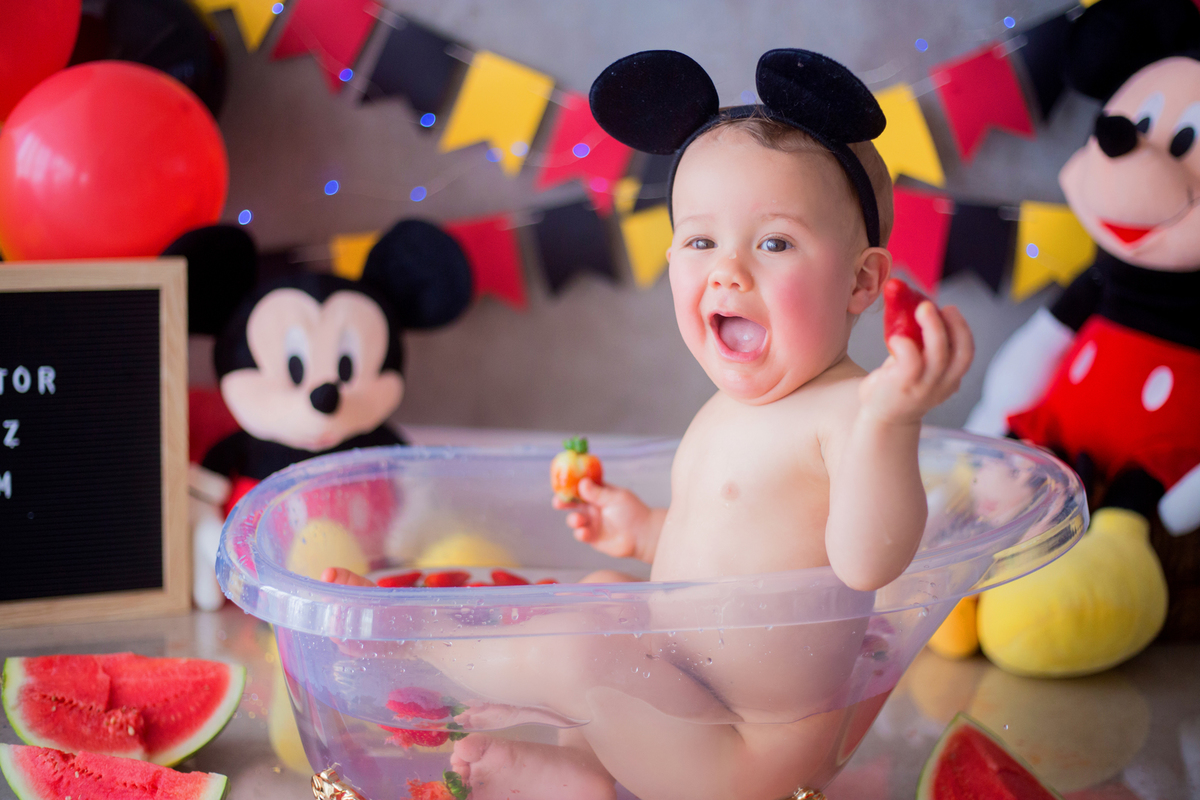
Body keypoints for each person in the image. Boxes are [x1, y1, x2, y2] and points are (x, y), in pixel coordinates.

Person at [324, 48, 974, 800]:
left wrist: (895, 421)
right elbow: (735, 560)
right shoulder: (728, 407)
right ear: (670, 260)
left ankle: (416, 641)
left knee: (579, 645)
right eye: (701, 241)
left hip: (746, 756)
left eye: (775, 243)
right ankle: (585, 779)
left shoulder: (853, 409)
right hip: (679, 711)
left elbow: (866, 563)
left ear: (862, 280)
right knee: (602, 592)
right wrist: (642, 531)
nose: (729, 271)